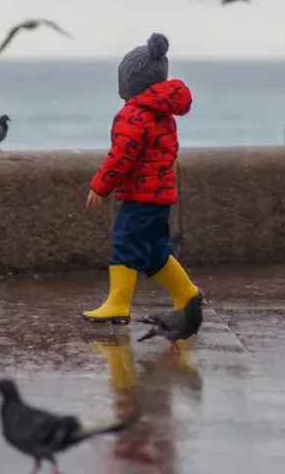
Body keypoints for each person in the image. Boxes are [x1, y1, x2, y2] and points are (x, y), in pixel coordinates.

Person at [83, 32, 201, 324]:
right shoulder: (162, 113)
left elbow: (121, 157)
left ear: (130, 80)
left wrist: (100, 186)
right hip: (160, 196)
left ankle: (118, 305)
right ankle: (187, 294)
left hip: (140, 197)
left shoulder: (133, 115)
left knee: (125, 244)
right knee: (155, 252)